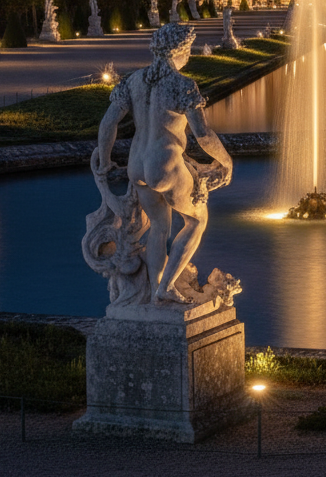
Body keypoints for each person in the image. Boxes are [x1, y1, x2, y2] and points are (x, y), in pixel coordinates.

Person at [93, 22, 234, 305]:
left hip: (137, 166)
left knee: (160, 226)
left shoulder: (133, 81)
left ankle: (156, 291)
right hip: (164, 165)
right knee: (197, 220)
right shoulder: (182, 85)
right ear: (179, 51)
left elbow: (108, 124)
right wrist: (226, 161)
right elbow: (204, 136)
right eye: (189, 51)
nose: (189, 56)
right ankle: (165, 287)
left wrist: (105, 162)